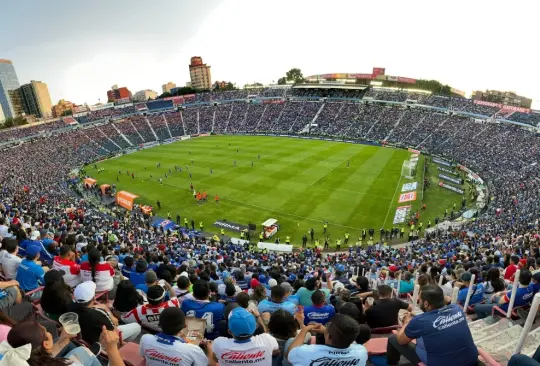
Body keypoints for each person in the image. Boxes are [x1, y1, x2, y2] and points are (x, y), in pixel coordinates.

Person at [386, 285, 478, 366]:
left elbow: (401, 341)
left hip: (439, 363)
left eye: (420, 299)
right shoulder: (457, 309)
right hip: (471, 360)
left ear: (426, 303)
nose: (418, 300)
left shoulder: (420, 321)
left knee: (393, 339)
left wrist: (406, 323)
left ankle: (392, 363)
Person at [69, 281, 141, 344]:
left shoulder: (70, 306)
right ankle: (119, 344)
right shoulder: (98, 314)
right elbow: (114, 328)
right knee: (137, 327)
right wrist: (109, 313)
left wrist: (103, 307)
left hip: (86, 337)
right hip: (101, 341)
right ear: (94, 298)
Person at [286, 313, 368, 366]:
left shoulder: (307, 352)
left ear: (329, 336)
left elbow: (290, 353)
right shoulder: (361, 351)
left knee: (290, 341)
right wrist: (327, 331)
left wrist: (305, 329)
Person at [139, 307, 210, 366]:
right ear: (184, 326)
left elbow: (144, 356)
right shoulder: (193, 350)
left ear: (159, 324)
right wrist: (208, 348)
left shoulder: (145, 339)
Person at [211, 307, 278, 366]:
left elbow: (213, 358)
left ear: (229, 332)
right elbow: (275, 352)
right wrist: (258, 317)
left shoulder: (218, 343)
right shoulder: (268, 340)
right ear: (256, 327)